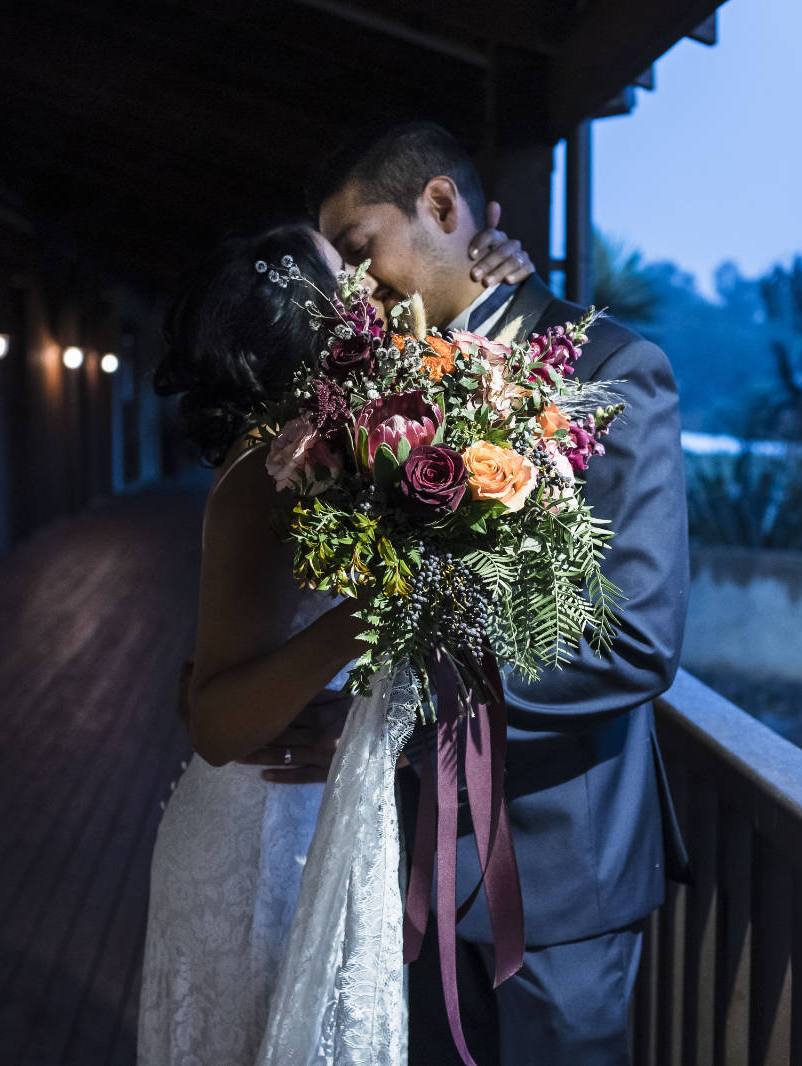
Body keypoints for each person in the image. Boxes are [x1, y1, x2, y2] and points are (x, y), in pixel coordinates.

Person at [303, 121, 691, 1065]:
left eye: (362, 253)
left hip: (564, 870)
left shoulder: (609, 370)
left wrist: (417, 694)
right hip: (420, 870)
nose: (356, 289)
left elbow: (638, 638)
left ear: (440, 206)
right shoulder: (380, 392)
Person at [137, 215, 535, 1066]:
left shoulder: (333, 459)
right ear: (307, 322)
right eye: (346, 275)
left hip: (313, 823)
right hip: (258, 849)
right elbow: (213, 724)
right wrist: (368, 617)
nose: (369, 287)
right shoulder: (259, 479)